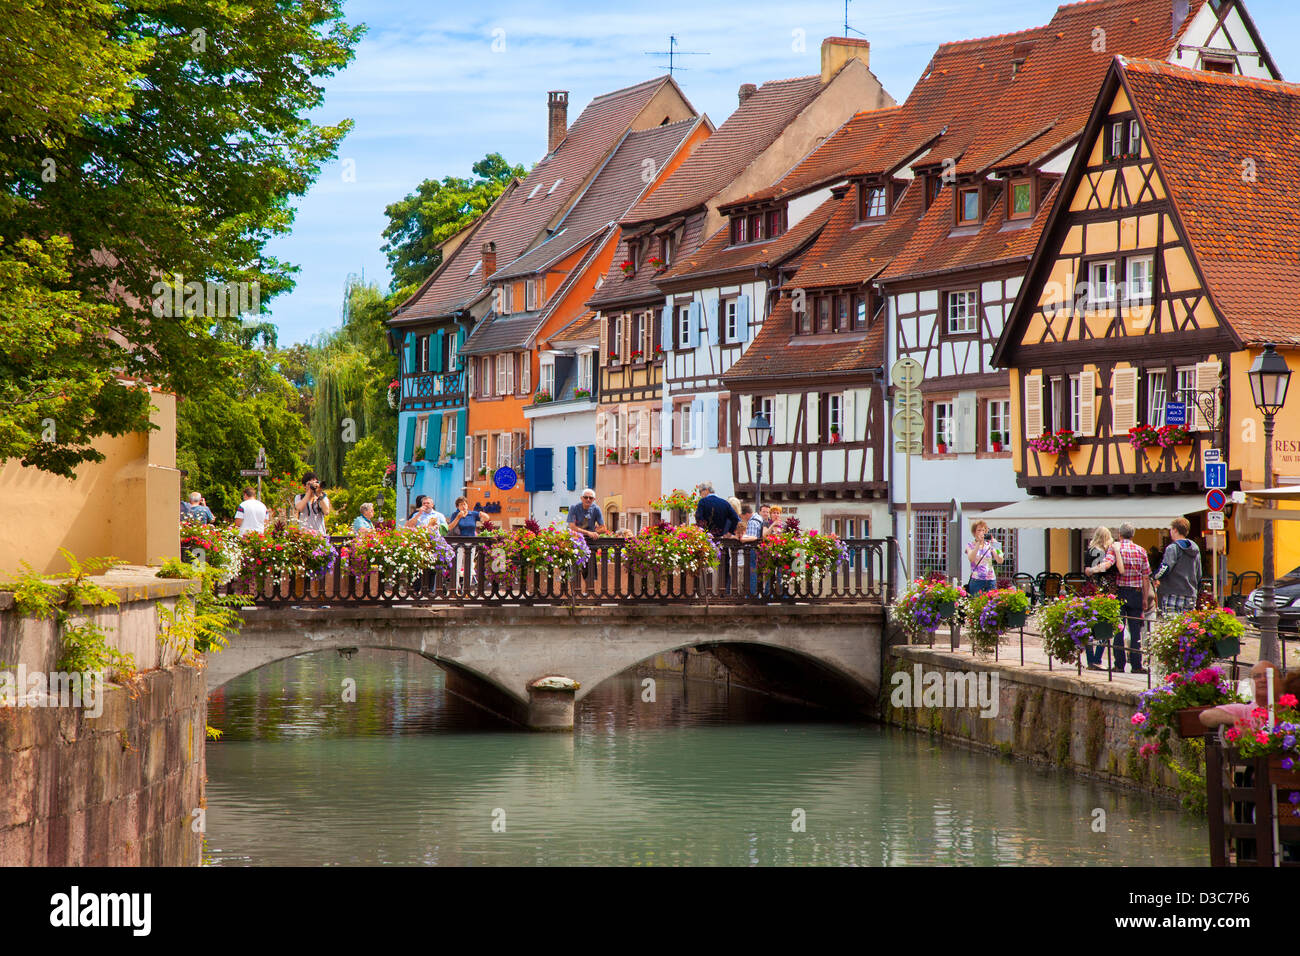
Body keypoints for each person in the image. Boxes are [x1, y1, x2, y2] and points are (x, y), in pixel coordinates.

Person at [1086, 523, 1150, 673]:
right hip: (1136, 593)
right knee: (1135, 631)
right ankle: (1136, 666)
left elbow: (1106, 565)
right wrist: (1145, 598)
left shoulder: (1115, 548)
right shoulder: (1141, 550)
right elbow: (1146, 577)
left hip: (1120, 593)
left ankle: (1119, 665)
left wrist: (1091, 570)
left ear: (1120, 535)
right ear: (1132, 535)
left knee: (1119, 629)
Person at [1154, 517, 1202, 614]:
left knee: (1171, 626)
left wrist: (1155, 576)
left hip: (1173, 592)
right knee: (1187, 626)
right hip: (1190, 594)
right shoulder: (1195, 548)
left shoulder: (1173, 548)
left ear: (1175, 530)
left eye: (1171, 529)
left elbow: (1165, 568)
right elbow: (1199, 574)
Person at [568, 490, 606, 583]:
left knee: (590, 574)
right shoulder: (574, 508)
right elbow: (572, 527)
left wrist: (595, 532)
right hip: (575, 543)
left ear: (594, 499)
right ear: (581, 498)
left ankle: (587, 596)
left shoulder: (596, 509)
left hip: (589, 545)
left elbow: (603, 528)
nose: (588, 499)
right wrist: (589, 533)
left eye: (590, 498)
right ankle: (574, 596)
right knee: (573, 572)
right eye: (585, 497)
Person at [964, 521, 1002, 595]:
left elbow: (1000, 560)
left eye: (983, 530)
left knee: (991, 604)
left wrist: (997, 546)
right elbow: (971, 558)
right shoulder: (970, 545)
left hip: (990, 580)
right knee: (976, 604)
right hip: (977, 580)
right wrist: (978, 543)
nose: (981, 532)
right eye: (979, 530)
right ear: (974, 532)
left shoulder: (989, 545)